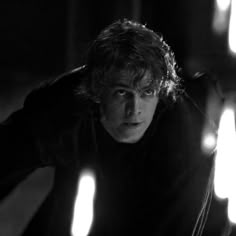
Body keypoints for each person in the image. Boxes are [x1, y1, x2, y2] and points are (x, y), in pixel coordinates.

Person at [0, 19, 230, 236]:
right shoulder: (61, 110)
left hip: (165, 211)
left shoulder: (186, 138)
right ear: (98, 92)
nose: (135, 109)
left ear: (160, 93)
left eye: (147, 92)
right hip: (81, 196)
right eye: (122, 93)